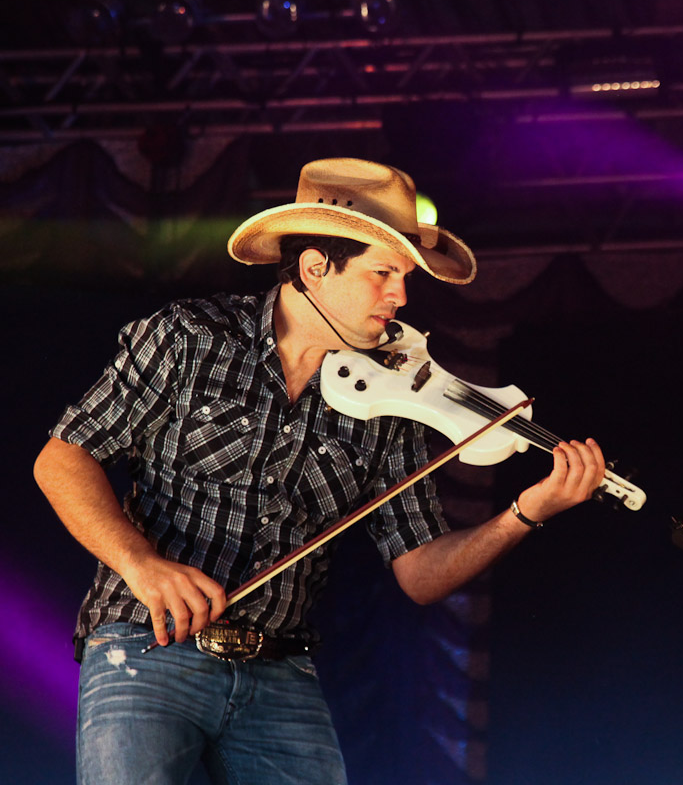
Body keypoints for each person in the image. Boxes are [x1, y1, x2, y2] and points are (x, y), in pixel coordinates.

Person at [33, 157, 607, 784]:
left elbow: (420, 573)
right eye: (383, 273)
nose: (402, 296)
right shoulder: (188, 338)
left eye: (406, 276)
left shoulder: (393, 401)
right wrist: (143, 566)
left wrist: (525, 514)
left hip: (280, 673)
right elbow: (64, 458)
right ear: (314, 269)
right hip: (146, 647)